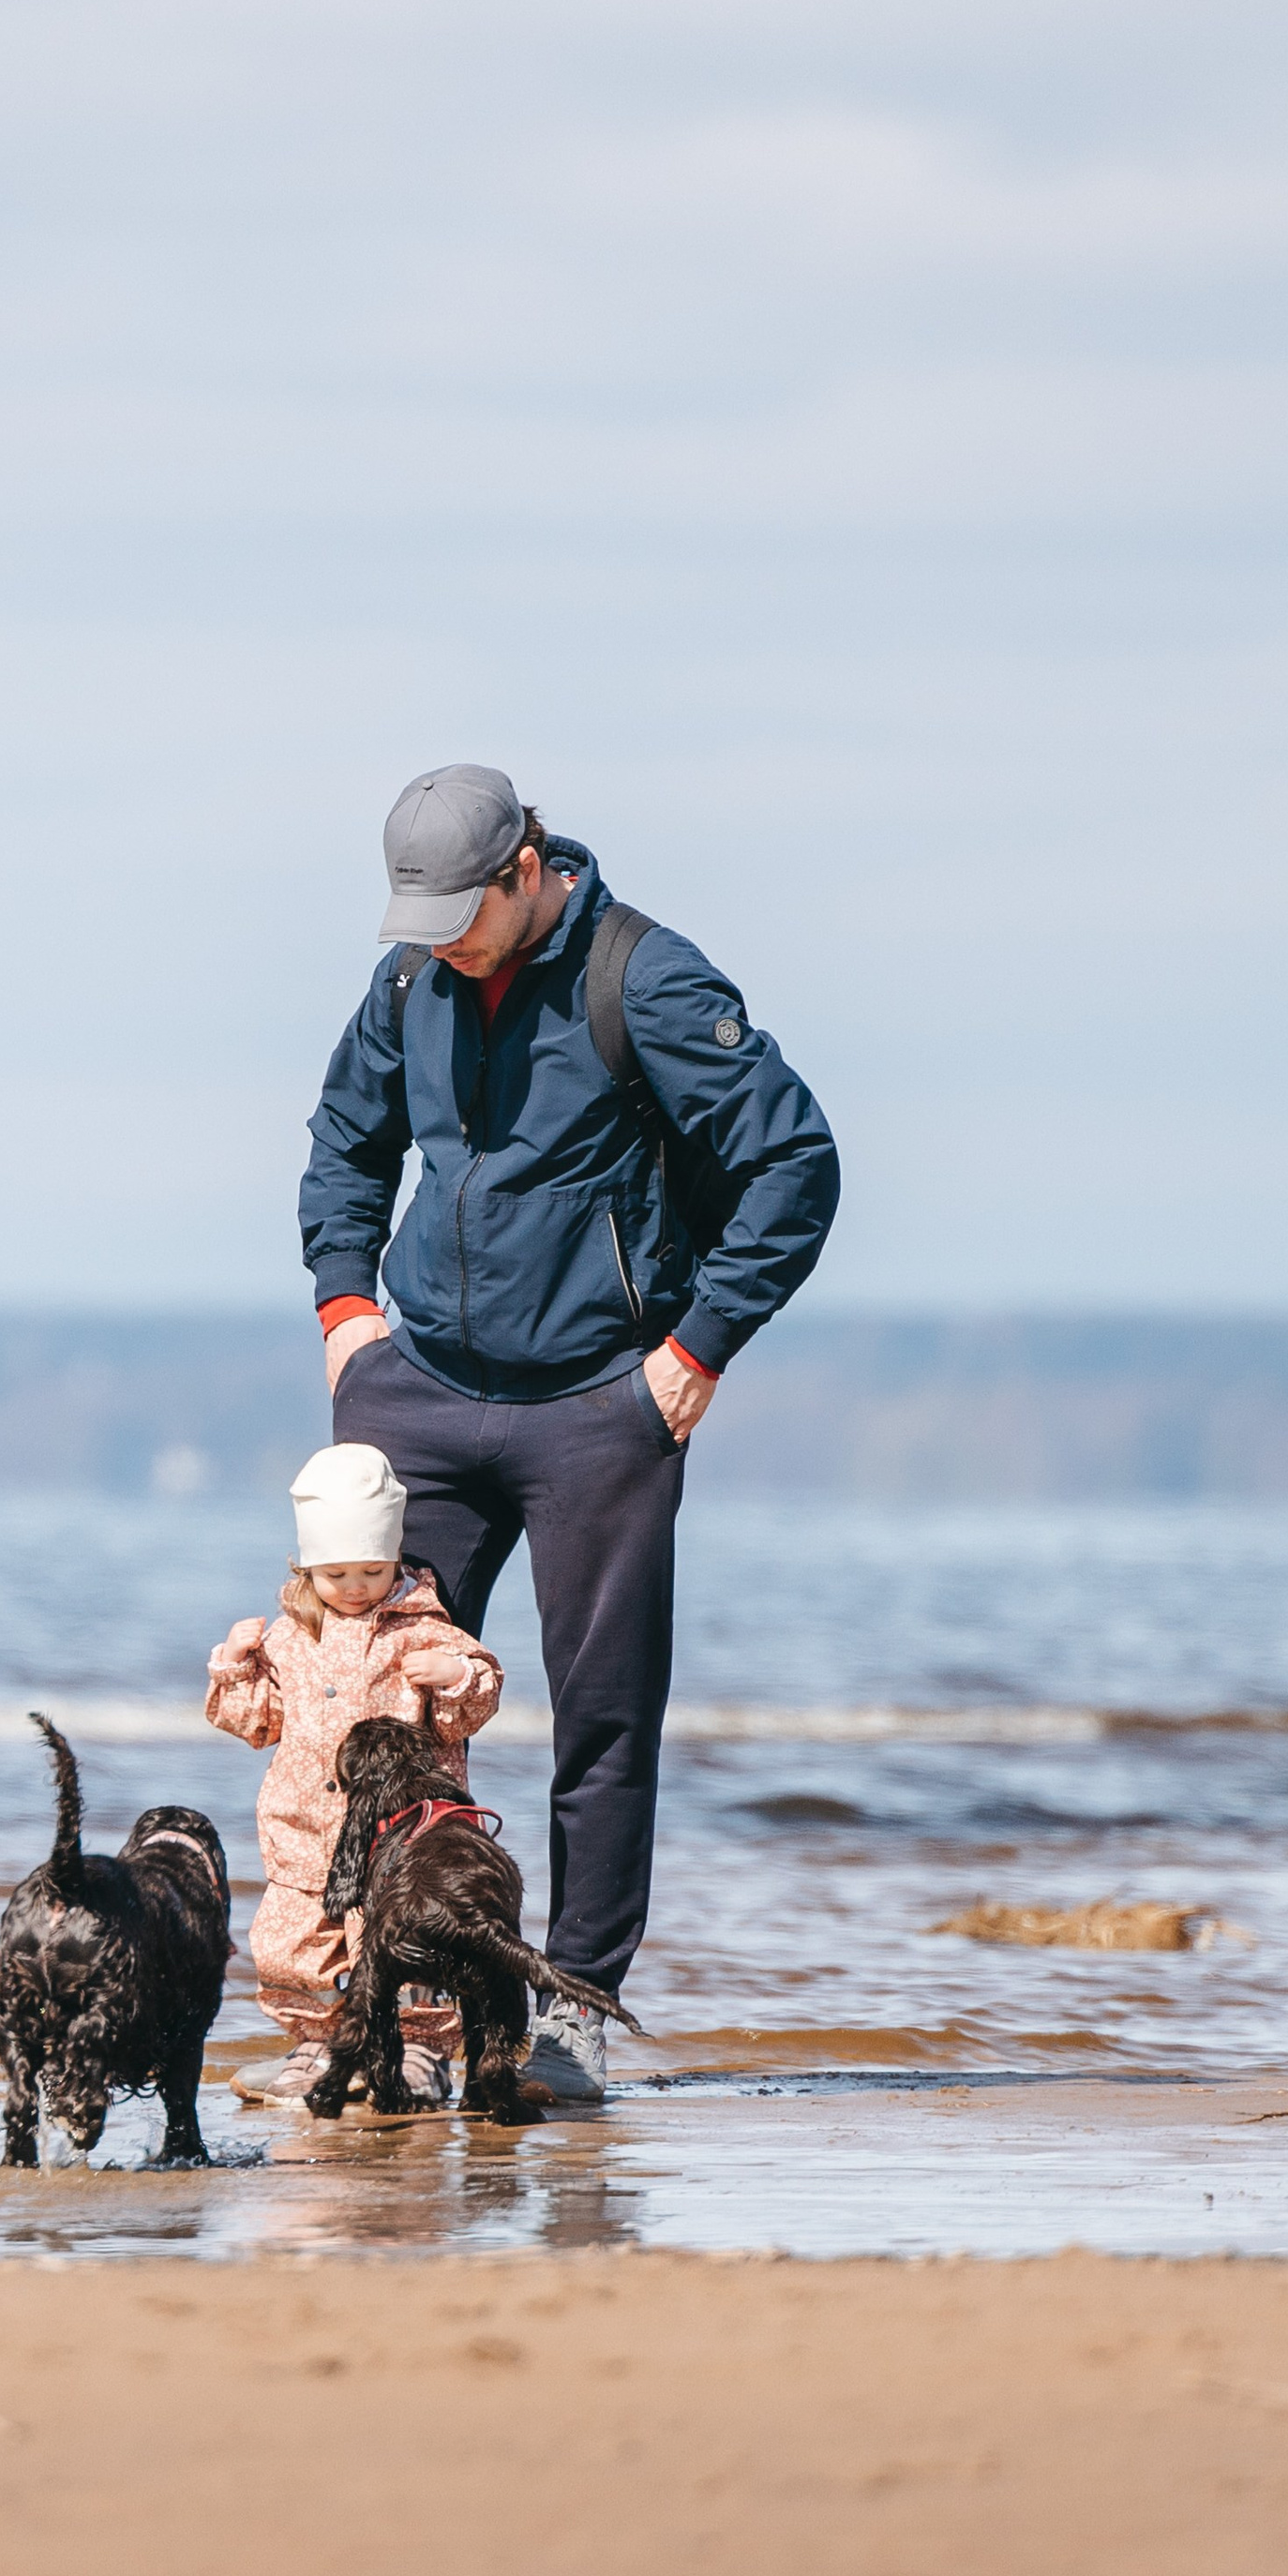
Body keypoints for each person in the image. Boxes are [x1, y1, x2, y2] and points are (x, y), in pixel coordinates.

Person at [301, 762, 840, 2101]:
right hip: (417, 1387)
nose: (438, 940)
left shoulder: (641, 976)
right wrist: (347, 1312)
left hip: (601, 1401)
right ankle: (405, 2027)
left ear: (525, 868)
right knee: (387, 1713)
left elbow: (797, 1161)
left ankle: (571, 2013)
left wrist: (694, 1353)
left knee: (601, 1720)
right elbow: (345, 1145)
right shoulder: (412, 982)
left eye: (458, 912)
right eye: (414, 918)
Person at [204, 1439, 504, 2107]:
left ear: (395, 1558)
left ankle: (420, 2048)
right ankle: (319, 2042)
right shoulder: (288, 1638)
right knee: (295, 1941)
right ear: (306, 1566)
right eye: (336, 1573)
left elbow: (474, 1704)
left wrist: (456, 1678)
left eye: (372, 1569)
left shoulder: (424, 1630)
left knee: (416, 1941)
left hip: (405, 1839)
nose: (355, 1587)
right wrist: (233, 1665)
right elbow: (256, 1722)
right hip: (305, 1833)